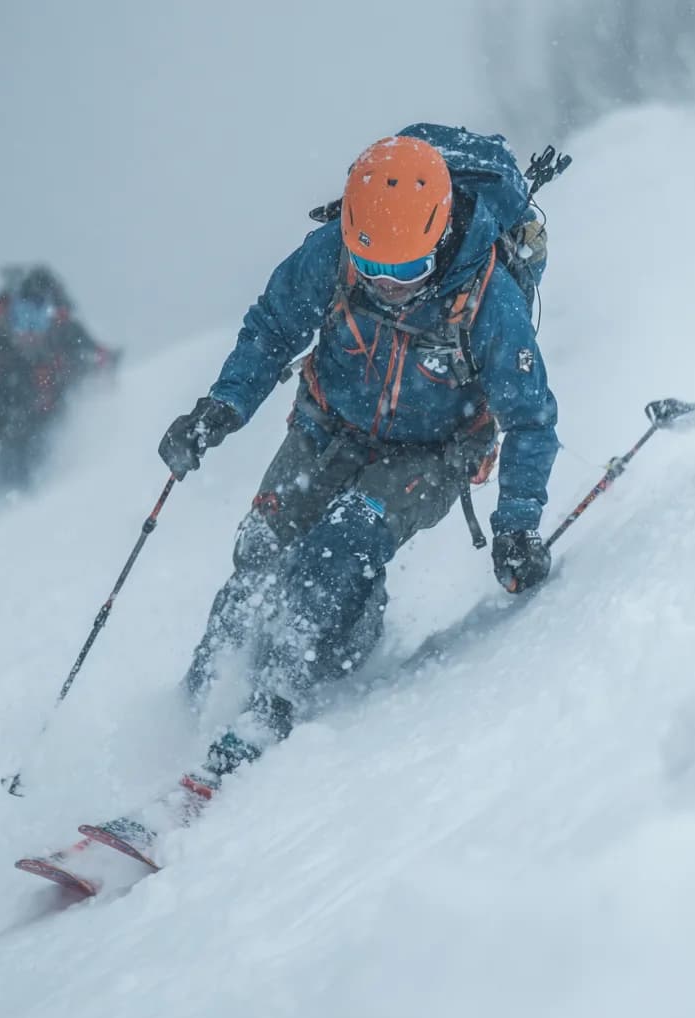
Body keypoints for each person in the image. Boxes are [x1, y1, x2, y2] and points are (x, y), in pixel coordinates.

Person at [159, 124, 559, 789]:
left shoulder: (489, 298)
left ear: (437, 237)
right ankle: (196, 702)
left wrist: (517, 521)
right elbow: (272, 328)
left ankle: (272, 702)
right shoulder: (334, 253)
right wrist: (222, 407)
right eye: (374, 268)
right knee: (261, 546)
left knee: (344, 540)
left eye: (406, 270)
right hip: (327, 425)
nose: (389, 285)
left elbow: (530, 417)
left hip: (431, 453)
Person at [0, 265, 120, 502]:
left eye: (38, 318)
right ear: (10, 313)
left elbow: (99, 359)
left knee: (33, 465)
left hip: (48, 427)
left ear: (52, 317)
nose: (29, 331)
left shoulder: (66, 334)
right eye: (22, 317)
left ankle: (28, 518)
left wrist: (103, 370)